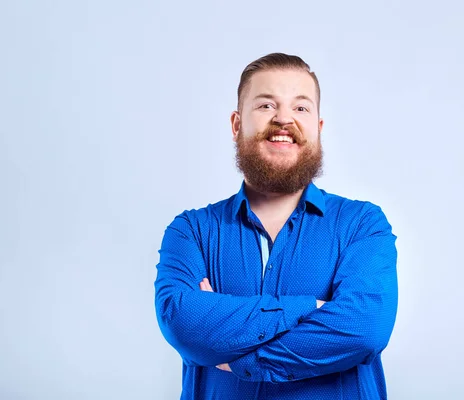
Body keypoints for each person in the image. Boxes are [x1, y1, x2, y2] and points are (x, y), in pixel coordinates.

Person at [154, 52, 398, 399]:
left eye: (301, 108)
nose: (284, 118)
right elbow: (183, 322)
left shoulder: (362, 225)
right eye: (266, 105)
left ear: (318, 127)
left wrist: (240, 355)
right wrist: (310, 309)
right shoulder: (191, 231)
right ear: (237, 125)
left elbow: (364, 329)